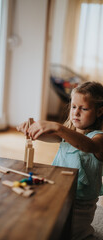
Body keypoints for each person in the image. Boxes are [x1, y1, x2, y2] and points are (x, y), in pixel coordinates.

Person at [17, 81, 103, 240]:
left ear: (99, 112)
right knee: (46, 226)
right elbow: (48, 136)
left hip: (80, 204)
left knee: (73, 234)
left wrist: (58, 127)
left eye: (83, 108)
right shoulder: (67, 132)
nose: (76, 113)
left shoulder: (98, 138)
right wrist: (30, 129)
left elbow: (88, 146)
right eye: (73, 107)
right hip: (59, 193)